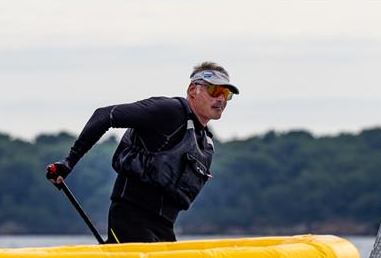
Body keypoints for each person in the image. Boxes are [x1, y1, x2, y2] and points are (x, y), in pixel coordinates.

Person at [46, 62, 239, 243]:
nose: (221, 99)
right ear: (192, 90)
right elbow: (104, 115)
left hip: (164, 228)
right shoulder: (169, 111)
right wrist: (69, 162)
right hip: (130, 221)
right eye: (214, 90)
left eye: (226, 94)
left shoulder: (204, 141)